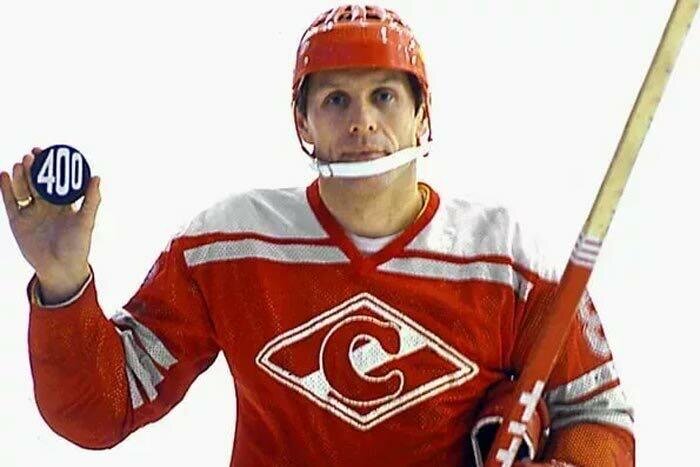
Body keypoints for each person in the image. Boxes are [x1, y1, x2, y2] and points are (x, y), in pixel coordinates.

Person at [0, 5, 634, 466]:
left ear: (422, 115)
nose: (362, 122)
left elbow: (600, 419)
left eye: (384, 96)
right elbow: (103, 408)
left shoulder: (508, 261)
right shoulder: (230, 246)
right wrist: (62, 283)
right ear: (302, 123)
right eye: (335, 100)